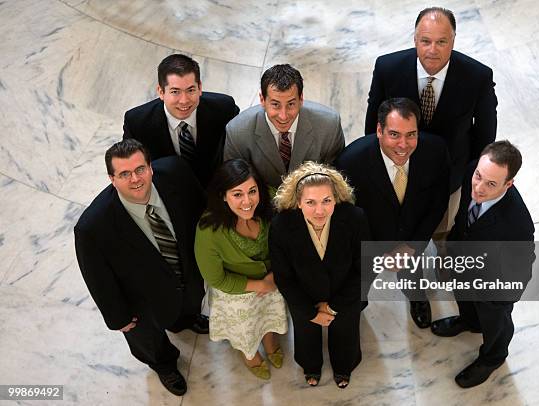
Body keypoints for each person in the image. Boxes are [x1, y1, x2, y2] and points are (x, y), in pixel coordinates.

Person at [74, 139, 208, 396]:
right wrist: (118, 318)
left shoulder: (176, 172)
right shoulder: (92, 227)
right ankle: (164, 364)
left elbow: (200, 208)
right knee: (149, 339)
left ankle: (187, 319)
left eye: (140, 169)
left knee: (190, 302)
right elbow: (98, 280)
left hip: (186, 272)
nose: (135, 179)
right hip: (140, 300)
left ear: (150, 168)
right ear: (111, 178)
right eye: (124, 174)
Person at [364, 7, 497, 239]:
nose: (432, 50)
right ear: (415, 39)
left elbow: (485, 136)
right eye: (425, 41)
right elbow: (373, 124)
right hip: (398, 171)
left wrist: (467, 179)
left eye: (441, 42)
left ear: (453, 40)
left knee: (441, 233)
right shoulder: (387, 68)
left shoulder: (478, 77)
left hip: (448, 178)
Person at [336, 98, 449, 327]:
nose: (403, 145)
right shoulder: (350, 162)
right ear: (379, 130)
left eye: (411, 134)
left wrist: (412, 246)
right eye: (394, 134)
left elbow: (437, 203)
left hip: (412, 239)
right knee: (359, 285)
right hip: (370, 244)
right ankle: (356, 309)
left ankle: (416, 298)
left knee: (413, 278)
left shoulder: (436, 151)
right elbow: (345, 218)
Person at [431, 140, 535, 388]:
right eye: (478, 176)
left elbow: (521, 272)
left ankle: (493, 357)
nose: (478, 188)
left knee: (496, 324)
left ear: (508, 184)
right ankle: (470, 322)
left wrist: (498, 302)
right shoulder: (472, 172)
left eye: (491, 184)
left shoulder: (517, 224)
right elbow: (462, 220)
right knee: (465, 301)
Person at [269, 162, 370, 388]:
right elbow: (284, 277)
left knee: (346, 331)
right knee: (305, 333)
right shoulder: (281, 226)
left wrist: (334, 307)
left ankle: (344, 367)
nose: (320, 210)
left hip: (346, 295)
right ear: (297, 202)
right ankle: (311, 366)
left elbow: (364, 268)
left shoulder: (355, 218)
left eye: (327, 201)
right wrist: (309, 311)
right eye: (310, 202)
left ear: (336, 198)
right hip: (304, 297)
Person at [194, 159, 288, 380]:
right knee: (246, 326)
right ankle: (250, 353)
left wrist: (275, 276)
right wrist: (260, 285)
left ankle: (270, 340)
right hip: (236, 287)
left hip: (273, 277)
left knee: (271, 313)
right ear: (223, 196)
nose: (247, 201)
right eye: (237, 194)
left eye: (252, 191)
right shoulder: (208, 230)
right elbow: (216, 279)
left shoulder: (272, 203)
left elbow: (290, 242)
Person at [123, 53, 239, 187]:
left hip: (217, 188)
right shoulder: (137, 122)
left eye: (190, 90)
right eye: (175, 92)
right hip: (169, 193)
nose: (184, 101)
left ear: (200, 88)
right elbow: (130, 169)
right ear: (161, 92)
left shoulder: (224, 108)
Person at [224, 64, 345, 190]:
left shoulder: (329, 125)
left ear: (301, 99)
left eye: (291, 104)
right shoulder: (237, 131)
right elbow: (235, 185)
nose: (283, 116)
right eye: (275, 104)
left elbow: (336, 178)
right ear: (262, 100)